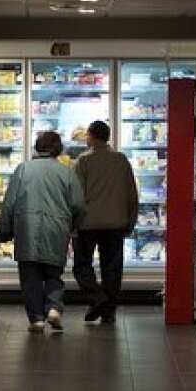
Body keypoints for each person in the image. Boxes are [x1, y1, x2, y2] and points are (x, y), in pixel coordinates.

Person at [0, 131, 85, 333]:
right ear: (58, 149)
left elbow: (9, 203)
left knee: (30, 277)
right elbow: (79, 205)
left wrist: (4, 231)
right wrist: (74, 227)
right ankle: (54, 307)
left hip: (27, 228)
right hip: (57, 229)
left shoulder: (23, 169)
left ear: (37, 147)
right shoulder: (67, 172)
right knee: (54, 273)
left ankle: (36, 318)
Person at [73, 120, 138, 324]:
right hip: (116, 223)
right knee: (112, 268)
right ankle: (108, 310)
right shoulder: (121, 160)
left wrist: (72, 223)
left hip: (87, 223)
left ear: (91, 136)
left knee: (82, 265)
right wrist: (131, 221)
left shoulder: (83, 161)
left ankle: (97, 298)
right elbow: (131, 194)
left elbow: (76, 196)